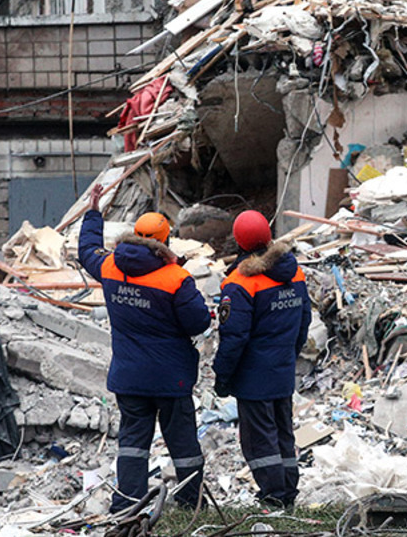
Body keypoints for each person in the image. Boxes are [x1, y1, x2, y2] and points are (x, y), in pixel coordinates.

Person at [77, 185, 210, 512]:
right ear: (165, 240)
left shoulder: (111, 267)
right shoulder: (175, 278)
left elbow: (87, 249)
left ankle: (127, 502)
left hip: (130, 376)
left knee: (133, 444)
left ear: (136, 235)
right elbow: (197, 324)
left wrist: (94, 212)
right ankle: (191, 502)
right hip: (171, 378)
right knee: (182, 443)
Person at [214, 210, 312, 508]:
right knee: (283, 433)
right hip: (282, 371)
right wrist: (288, 357)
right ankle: (288, 492)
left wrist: (222, 376)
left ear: (238, 241)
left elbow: (234, 338)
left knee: (260, 442)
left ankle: (274, 496)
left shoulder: (241, 282)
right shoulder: (294, 272)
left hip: (253, 377)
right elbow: (304, 322)